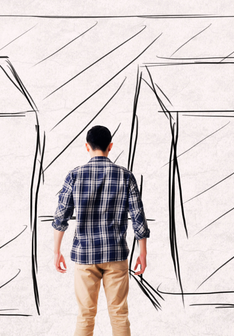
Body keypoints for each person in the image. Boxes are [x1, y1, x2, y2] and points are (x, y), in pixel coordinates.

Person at [52, 125, 150, 336]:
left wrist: (56, 250)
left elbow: (61, 217)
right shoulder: (125, 176)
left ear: (87, 146)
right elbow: (138, 217)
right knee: (119, 314)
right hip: (116, 254)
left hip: (85, 255)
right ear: (110, 146)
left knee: (85, 315)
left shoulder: (74, 175)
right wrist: (143, 252)